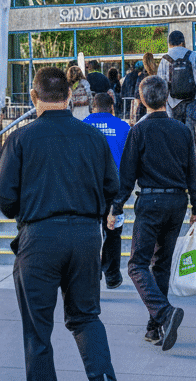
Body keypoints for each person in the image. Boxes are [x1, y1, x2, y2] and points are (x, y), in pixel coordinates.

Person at [0, 66, 120, 381]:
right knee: (86, 318)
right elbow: (112, 187)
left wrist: (30, 209)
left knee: (37, 331)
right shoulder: (93, 137)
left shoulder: (20, 138)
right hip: (86, 236)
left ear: (33, 96)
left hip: (40, 236)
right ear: (69, 96)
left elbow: (4, 196)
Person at [109, 75, 196, 352]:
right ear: (167, 97)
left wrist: (116, 208)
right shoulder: (182, 130)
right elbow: (192, 172)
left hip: (150, 202)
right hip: (177, 202)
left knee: (137, 265)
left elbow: (127, 177)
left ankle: (164, 313)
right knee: (161, 264)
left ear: (141, 99)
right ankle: (155, 327)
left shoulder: (138, 131)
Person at [85, 92, 131, 290]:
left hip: (88, 188)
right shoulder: (123, 127)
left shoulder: (83, 126)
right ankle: (112, 275)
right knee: (113, 231)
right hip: (115, 190)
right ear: (112, 107)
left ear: (93, 107)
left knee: (89, 230)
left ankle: (91, 273)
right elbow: (131, 159)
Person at [154, 30, 196, 160]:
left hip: (173, 103)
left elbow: (160, 82)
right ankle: (193, 163)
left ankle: (177, 162)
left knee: (175, 133)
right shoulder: (193, 55)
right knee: (190, 133)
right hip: (192, 100)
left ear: (169, 43)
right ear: (183, 42)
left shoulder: (165, 59)